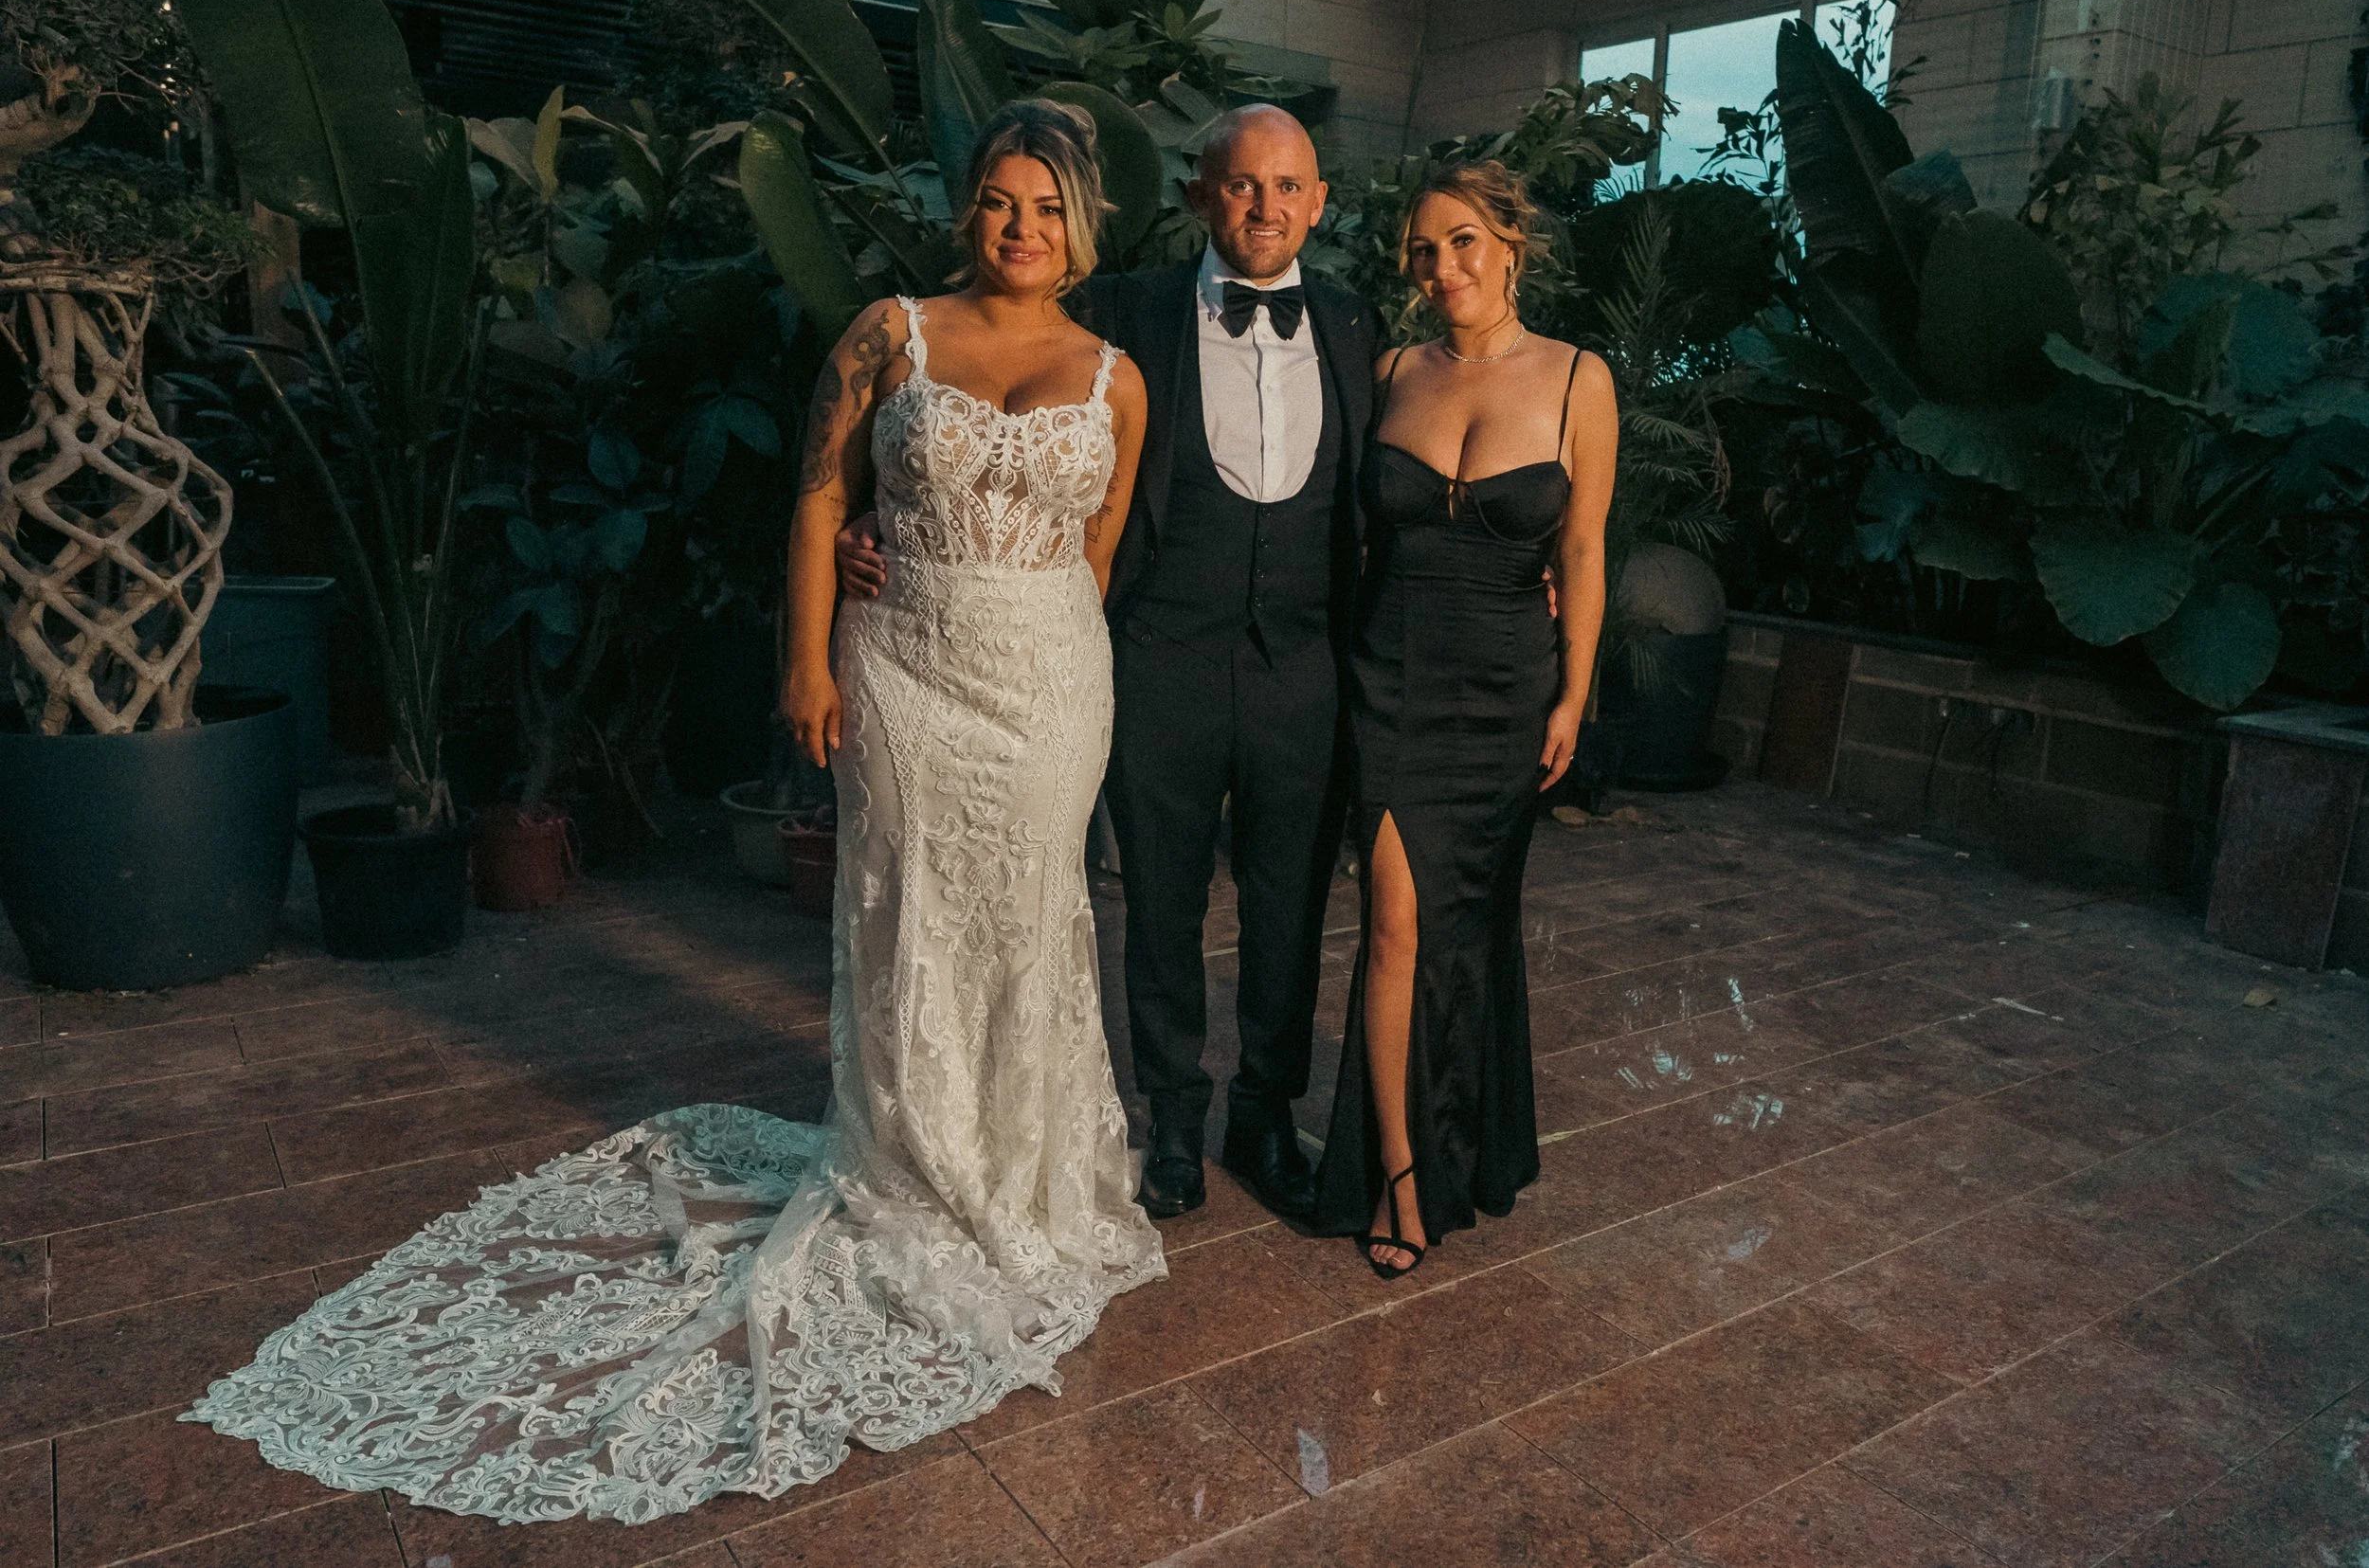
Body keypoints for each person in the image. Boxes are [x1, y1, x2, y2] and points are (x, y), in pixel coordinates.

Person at [182, 99, 1163, 1523]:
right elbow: (820, 505)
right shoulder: (891, 334)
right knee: (910, 913)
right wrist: (806, 658)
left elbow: (1096, 542)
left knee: (1025, 914)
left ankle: (1024, 1176)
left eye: (1048, 208)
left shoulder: (1116, 378)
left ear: (1085, 226)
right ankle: (916, 1161)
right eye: (1002, 201)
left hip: (1054, 678)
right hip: (907, 674)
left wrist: (1020, 604)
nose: (1023, 227)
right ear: (971, 210)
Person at [839, 106, 1380, 1224]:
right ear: (1198, 196)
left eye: (1287, 187)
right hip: (1154, 654)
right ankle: (1172, 1125)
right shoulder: (1120, 312)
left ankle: (1265, 1116)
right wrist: (872, 524)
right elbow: (981, 400)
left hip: (1304, 667)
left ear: (1318, 203)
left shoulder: (1356, 325)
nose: (1264, 207)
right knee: (1161, 905)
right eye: (1240, 185)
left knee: (1288, 912)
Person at [1311, 161, 1616, 1276]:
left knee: (1468, 928)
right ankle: (1395, 1169)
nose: (1443, 269)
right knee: (1393, 924)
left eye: (1463, 243)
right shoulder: (1392, 370)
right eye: (1424, 251)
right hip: (1390, 678)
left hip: (1505, 690)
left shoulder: (1581, 380)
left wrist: (1575, 690)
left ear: (1511, 243)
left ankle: (1466, 1138)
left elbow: (1581, 550)